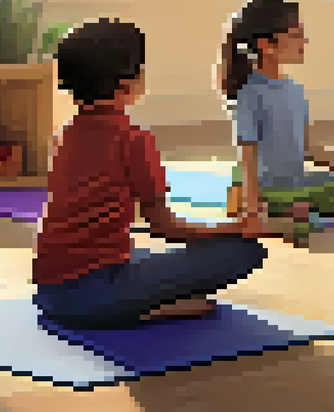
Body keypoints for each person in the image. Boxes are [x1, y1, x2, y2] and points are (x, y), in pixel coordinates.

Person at [33, 19, 271, 329]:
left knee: (142, 253)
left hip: (49, 293)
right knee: (244, 252)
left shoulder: (64, 135)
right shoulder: (132, 138)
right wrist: (235, 227)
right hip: (94, 296)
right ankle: (145, 310)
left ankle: (134, 302)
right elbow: (165, 228)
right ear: (126, 85)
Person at [221, 0, 334, 247]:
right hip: (266, 189)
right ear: (267, 45)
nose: (304, 42)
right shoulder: (249, 94)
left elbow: (309, 150)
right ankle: (265, 206)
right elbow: (248, 157)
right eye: (296, 35)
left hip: (299, 184)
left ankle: (295, 210)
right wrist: (253, 215)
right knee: (301, 207)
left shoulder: (295, 90)